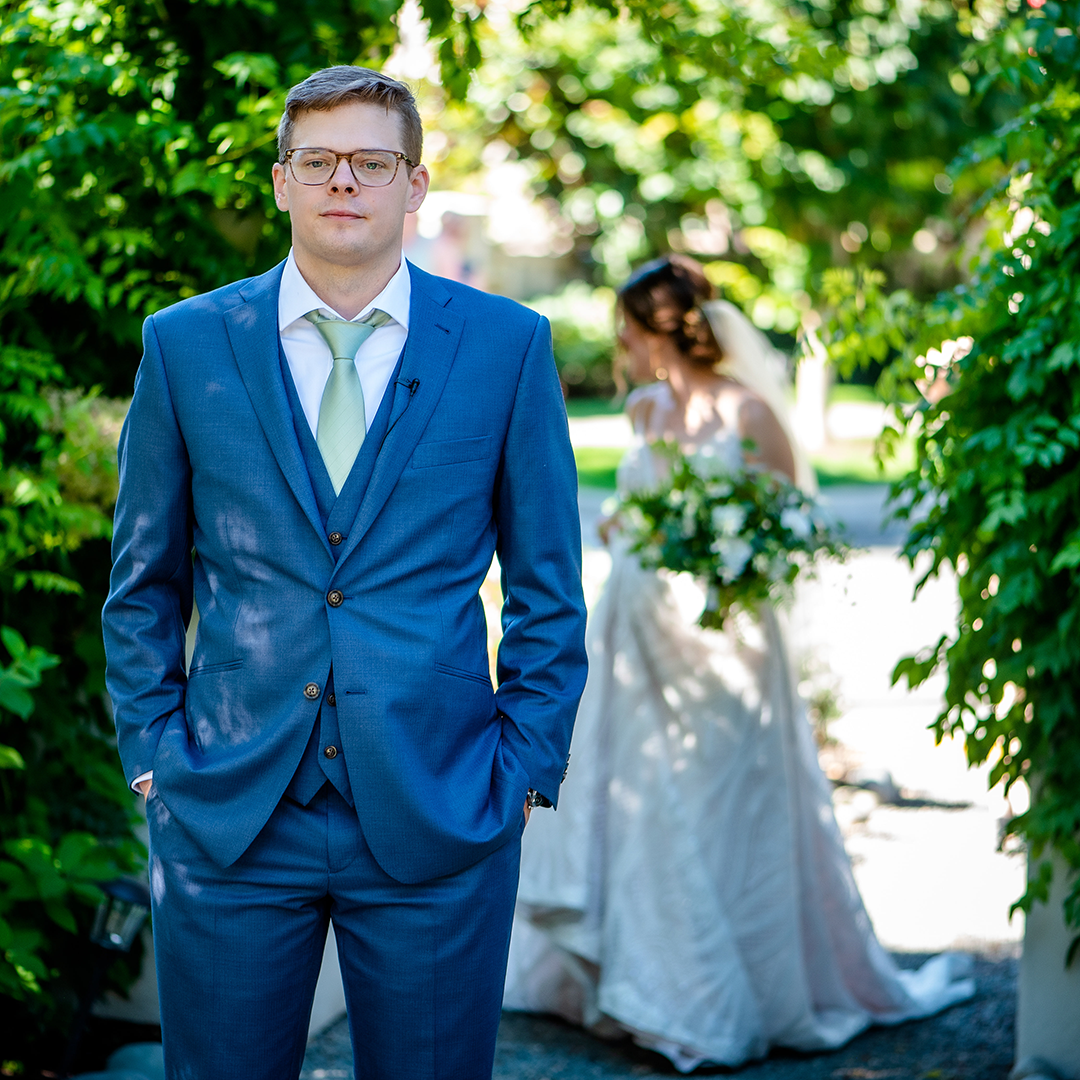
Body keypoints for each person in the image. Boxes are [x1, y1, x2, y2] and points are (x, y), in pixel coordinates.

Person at [101, 66, 588, 1080]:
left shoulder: (506, 346)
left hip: (443, 802)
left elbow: (549, 582)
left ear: (414, 186)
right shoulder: (186, 343)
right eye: (317, 161)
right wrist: (155, 753)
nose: (344, 183)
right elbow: (142, 578)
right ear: (281, 182)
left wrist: (524, 769)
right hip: (228, 810)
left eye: (373, 162)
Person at [502, 254, 974, 1071]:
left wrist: (724, 558)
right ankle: (642, 988)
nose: (619, 341)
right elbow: (633, 511)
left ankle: (724, 992)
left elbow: (795, 525)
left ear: (661, 330)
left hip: (725, 645)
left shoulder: (748, 412)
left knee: (720, 806)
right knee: (640, 799)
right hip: (638, 633)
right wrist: (628, 528)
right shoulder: (648, 411)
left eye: (628, 327)